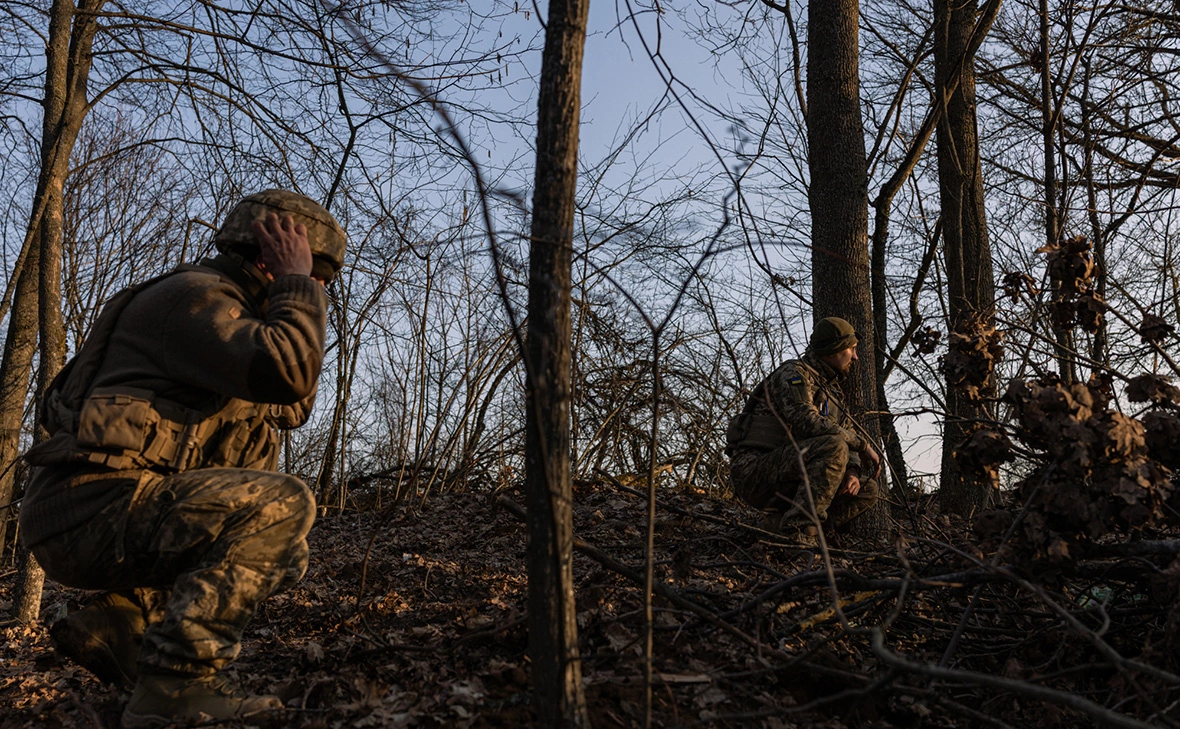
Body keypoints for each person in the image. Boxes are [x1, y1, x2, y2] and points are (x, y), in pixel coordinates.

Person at [18, 190, 344, 728]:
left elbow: (290, 404)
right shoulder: (197, 298)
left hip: (108, 505)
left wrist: (290, 294)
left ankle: (121, 622)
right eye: (318, 275)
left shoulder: (231, 317)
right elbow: (290, 371)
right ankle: (177, 685)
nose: (321, 289)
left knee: (287, 553)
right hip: (90, 506)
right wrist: (296, 284)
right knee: (281, 506)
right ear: (269, 257)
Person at [725, 317, 880, 545]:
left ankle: (783, 526)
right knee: (834, 447)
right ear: (834, 349)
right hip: (755, 472)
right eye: (852, 349)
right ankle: (798, 535)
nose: (855, 357)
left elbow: (844, 432)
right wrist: (862, 444)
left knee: (868, 489)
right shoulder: (794, 375)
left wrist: (853, 471)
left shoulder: (832, 392)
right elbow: (805, 420)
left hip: (791, 474)